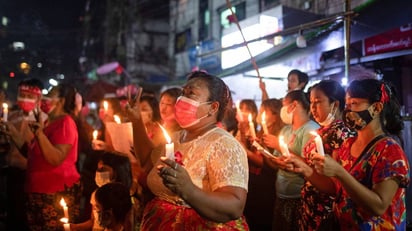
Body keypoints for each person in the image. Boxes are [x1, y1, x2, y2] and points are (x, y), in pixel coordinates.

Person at [126, 71, 249, 230]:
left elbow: (234, 206)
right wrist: (136, 121)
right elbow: (147, 163)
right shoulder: (176, 137)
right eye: (183, 93)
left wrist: (189, 190)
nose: (182, 99)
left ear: (212, 107)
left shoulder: (223, 144)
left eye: (191, 94)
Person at [293, 79, 410, 230]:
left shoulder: (389, 150)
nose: (347, 110)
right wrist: (304, 169)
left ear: (376, 108)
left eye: (354, 104)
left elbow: (379, 205)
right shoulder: (348, 145)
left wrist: (340, 172)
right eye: (347, 104)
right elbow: (335, 188)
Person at [5, 83, 82, 229]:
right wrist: (13, 134)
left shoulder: (65, 123)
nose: (44, 100)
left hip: (54, 193)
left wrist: (39, 134)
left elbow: (55, 159)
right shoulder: (49, 122)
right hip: (38, 191)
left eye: (49, 96)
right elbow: (32, 154)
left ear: (62, 101)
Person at [287, 80, 356, 230]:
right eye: (311, 102)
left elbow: (334, 185)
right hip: (310, 205)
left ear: (335, 104)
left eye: (318, 102)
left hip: (325, 210)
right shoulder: (321, 131)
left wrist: (303, 167)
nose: (312, 107)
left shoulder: (341, 133)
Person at [262, 90, 319, 231]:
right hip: (281, 195)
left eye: (283, 105)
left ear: (294, 105)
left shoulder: (311, 130)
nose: (282, 110)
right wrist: (263, 149)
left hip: (299, 197)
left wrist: (280, 146)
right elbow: (276, 163)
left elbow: (310, 166)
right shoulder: (286, 130)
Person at [1, 78, 47, 231]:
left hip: (31, 175)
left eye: (30, 96)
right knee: (12, 215)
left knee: (27, 218)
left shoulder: (44, 121)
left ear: (39, 97)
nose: (25, 99)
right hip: (12, 173)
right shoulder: (11, 116)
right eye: (22, 95)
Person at [70, 151, 135, 231]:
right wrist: (74, 227)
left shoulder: (124, 198)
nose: (98, 173)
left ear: (117, 172)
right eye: (98, 169)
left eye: (103, 169)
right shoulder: (96, 194)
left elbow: (128, 225)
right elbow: (93, 222)